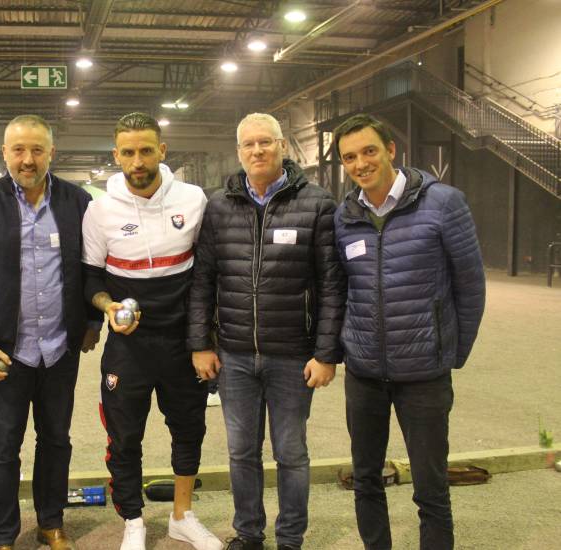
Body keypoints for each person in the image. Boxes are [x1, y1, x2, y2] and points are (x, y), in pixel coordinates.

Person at [188, 113, 345, 550]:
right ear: (239, 152)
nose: (257, 151)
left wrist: (327, 352)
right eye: (248, 145)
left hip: (293, 355)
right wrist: (201, 344)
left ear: (282, 147)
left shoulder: (317, 204)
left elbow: (333, 284)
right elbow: (203, 281)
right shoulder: (218, 206)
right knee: (241, 453)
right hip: (235, 356)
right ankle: (249, 534)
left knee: (291, 453)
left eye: (266, 143)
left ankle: (290, 539)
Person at [332, 114, 486, 550]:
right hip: (364, 373)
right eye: (350, 157)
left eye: (369, 151)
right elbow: (341, 287)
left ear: (391, 150)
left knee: (430, 485)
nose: (361, 163)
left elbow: (470, 284)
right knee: (366, 479)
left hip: (424, 373)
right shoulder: (345, 216)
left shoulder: (443, 203)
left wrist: (452, 350)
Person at [0, 114, 99, 550]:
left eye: (37, 149)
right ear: (4, 153)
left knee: (56, 440)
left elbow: (94, 269)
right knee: (1, 448)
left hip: (58, 349)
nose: (28, 159)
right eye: (18, 150)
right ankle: (2, 533)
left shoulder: (78, 202)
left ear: (51, 152)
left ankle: (51, 522)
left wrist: (90, 323)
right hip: (5, 352)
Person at [82, 112, 221, 550]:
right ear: (116, 155)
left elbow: (208, 272)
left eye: (146, 150)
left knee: (189, 428)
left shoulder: (194, 199)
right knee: (125, 436)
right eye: (128, 152)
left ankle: (182, 516)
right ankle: (133, 522)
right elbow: (90, 280)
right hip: (129, 346)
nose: (137, 161)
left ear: (162, 151)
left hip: (183, 343)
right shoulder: (100, 210)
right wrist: (108, 306)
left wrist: (205, 339)